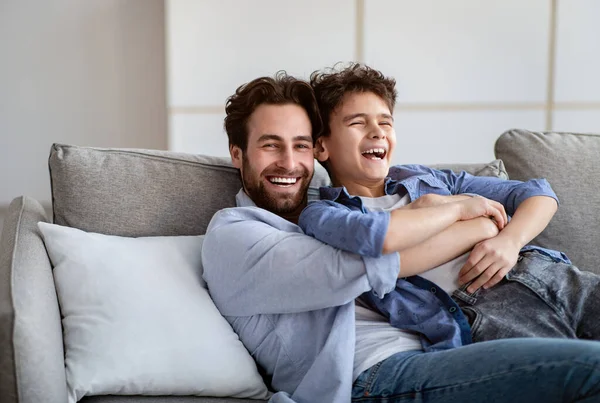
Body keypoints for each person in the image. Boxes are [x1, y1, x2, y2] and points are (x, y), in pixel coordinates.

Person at [201, 71, 600, 403]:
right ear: (238, 154)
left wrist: (503, 234)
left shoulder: (328, 204)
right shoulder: (236, 233)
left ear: (315, 150)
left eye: (300, 146)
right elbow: (372, 259)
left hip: (447, 347)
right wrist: (471, 219)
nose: (288, 163)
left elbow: (535, 194)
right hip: (377, 374)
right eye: (271, 146)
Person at [299, 63, 600, 348]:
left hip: (545, 273)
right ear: (321, 146)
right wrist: (461, 213)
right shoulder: (324, 214)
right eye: (358, 123)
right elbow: (381, 243)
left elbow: (539, 194)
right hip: (484, 309)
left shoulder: (427, 178)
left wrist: (510, 240)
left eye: (385, 122)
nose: (377, 132)